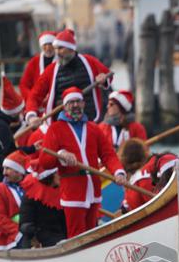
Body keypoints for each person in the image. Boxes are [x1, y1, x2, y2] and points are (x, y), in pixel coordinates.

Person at [37, 87, 125, 238]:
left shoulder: (93, 128)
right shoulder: (55, 129)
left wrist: (118, 172)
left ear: (84, 104)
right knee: (77, 235)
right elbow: (44, 162)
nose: (75, 105)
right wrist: (61, 155)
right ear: (65, 106)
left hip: (93, 189)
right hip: (73, 191)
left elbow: (108, 155)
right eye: (71, 102)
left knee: (92, 234)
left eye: (78, 101)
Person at [25, 29, 112, 125]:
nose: (57, 52)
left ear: (71, 49)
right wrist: (31, 115)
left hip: (89, 121)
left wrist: (103, 79)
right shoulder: (51, 70)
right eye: (56, 49)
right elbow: (35, 94)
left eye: (60, 48)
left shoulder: (89, 62)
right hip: (61, 125)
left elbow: (108, 75)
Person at [0, 76, 35, 203]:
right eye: (20, 111)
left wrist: (32, 148)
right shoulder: (1, 127)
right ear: (15, 112)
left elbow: (10, 151)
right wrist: (11, 175)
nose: (21, 114)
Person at [19, 165, 67, 247]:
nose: (61, 175)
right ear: (51, 176)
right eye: (57, 173)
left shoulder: (62, 188)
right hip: (43, 239)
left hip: (64, 235)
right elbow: (25, 223)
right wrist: (35, 236)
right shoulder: (32, 194)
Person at [0, 151, 29, 250]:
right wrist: (19, 233)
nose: (4, 173)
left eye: (8, 168)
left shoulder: (31, 184)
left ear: (18, 171)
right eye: (4, 168)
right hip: (13, 235)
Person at [18, 30, 56, 106]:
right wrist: (33, 98)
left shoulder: (61, 61)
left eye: (50, 44)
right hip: (37, 103)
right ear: (41, 46)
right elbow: (24, 85)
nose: (48, 48)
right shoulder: (34, 61)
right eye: (45, 45)